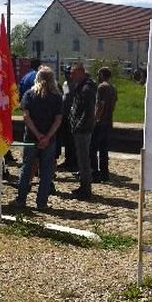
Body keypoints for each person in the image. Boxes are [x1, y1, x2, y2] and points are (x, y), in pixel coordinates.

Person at [10, 66, 62, 210]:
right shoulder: (57, 96)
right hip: (49, 139)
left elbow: (26, 117)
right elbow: (58, 120)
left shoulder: (29, 94)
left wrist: (38, 135)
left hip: (31, 138)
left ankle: (21, 200)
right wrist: (47, 137)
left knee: (26, 169)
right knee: (46, 172)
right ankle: (42, 202)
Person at [69, 62, 97, 200]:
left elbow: (88, 112)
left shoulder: (86, 89)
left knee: (84, 159)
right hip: (80, 128)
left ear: (81, 72)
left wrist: (78, 126)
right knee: (81, 159)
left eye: (74, 73)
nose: (71, 75)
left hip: (83, 130)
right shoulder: (81, 87)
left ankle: (86, 188)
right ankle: (83, 185)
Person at [90, 67, 118, 182]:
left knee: (93, 148)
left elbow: (100, 104)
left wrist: (95, 119)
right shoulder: (113, 88)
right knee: (104, 150)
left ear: (101, 74)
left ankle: (95, 173)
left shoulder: (102, 87)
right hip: (108, 121)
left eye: (98, 74)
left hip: (100, 122)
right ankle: (104, 174)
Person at [57, 67, 77, 171]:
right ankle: (68, 160)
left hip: (72, 115)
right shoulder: (65, 84)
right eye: (65, 73)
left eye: (68, 73)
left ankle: (73, 161)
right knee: (66, 140)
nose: (67, 75)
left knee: (72, 140)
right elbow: (65, 97)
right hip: (64, 114)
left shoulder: (76, 84)